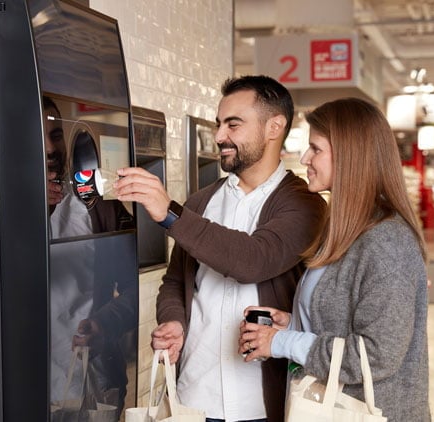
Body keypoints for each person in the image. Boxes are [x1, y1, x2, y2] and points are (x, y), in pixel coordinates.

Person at [114, 75, 327, 422]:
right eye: (218, 124)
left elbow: (252, 260)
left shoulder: (305, 205)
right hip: (194, 395)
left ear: (274, 127)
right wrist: (174, 321)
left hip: (261, 404)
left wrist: (170, 213)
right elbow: (175, 281)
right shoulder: (201, 202)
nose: (219, 136)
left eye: (233, 125)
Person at [238, 97, 430, 422]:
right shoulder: (346, 230)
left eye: (315, 149)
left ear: (350, 157)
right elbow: (346, 324)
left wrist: (285, 342)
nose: (304, 158)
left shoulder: (386, 241)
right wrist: (296, 322)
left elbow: (377, 356)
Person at [43, 96, 136, 413]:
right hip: (24, 381)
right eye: (37, 135)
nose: (50, 149)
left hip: (93, 381)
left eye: (55, 135)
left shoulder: (103, 208)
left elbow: (137, 286)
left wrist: (107, 322)